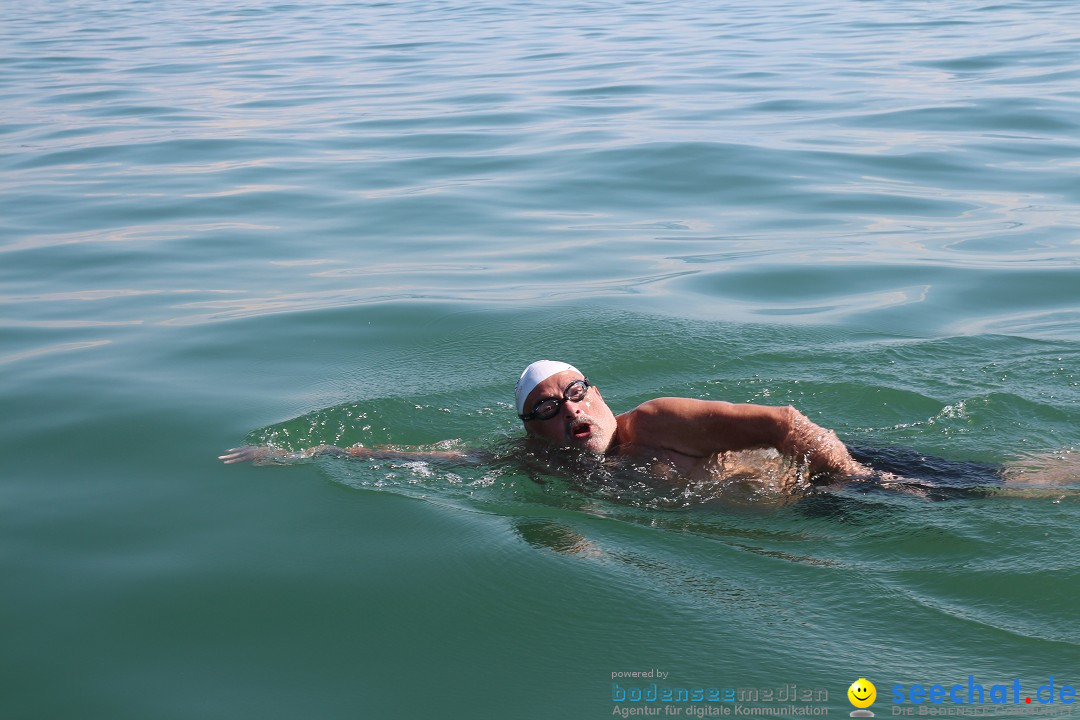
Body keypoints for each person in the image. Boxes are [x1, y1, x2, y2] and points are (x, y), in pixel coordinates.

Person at [220, 360, 869, 480]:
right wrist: (307, 456)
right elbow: (438, 460)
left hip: (855, 479)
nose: (572, 410)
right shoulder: (539, 462)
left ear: (603, 397)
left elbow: (785, 422)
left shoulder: (661, 419)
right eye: (550, 410)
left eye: (579, 393)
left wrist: (851, 486)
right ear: (536, 431)